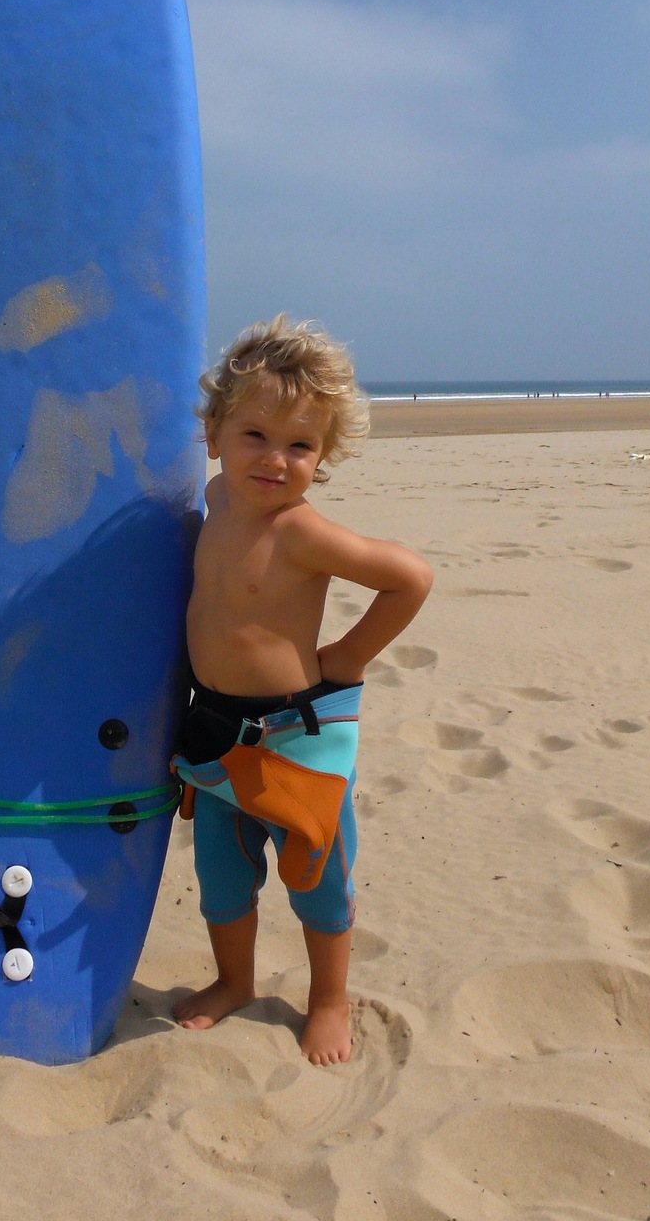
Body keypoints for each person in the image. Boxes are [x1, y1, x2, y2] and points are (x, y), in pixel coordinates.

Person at [170, 316, 434, 1065]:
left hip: (294, 741)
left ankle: (327, 1000)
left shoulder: (300, 532)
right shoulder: (218, 500)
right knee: (220, 881)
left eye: (300, 446)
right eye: (256, 434)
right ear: (215, 431)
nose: (275, 460)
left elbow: (410, 577)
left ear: (322, 459)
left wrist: (347, 657)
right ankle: (234, 982)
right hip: (215, 734)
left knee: (318, 878)